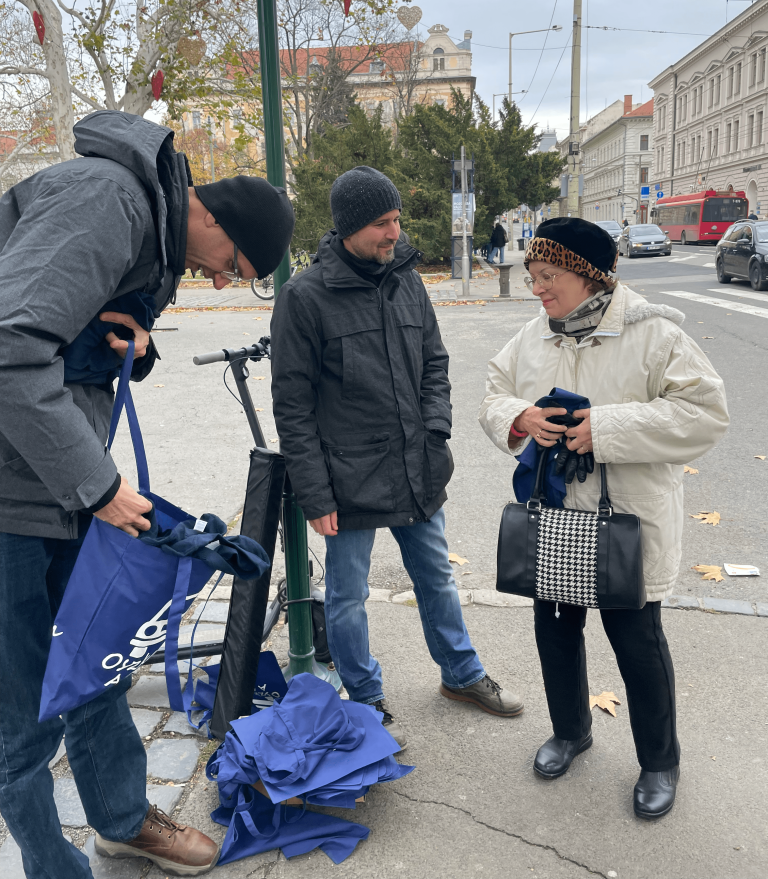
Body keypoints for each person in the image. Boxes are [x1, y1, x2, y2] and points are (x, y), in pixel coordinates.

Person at [0, 110, 294, 878]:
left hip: (53, 482)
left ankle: (123, 821)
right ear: (215, 219)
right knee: (22, 710)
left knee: (96, 660)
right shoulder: (108, 200)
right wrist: (99, 488)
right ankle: (51, 864)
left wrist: (134, 342)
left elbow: (62, 329)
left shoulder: (151, 231)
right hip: (13, 497)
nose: (222, 281)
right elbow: (9, 347)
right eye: (235, 265)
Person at [478, 217, 728, 820]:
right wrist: (519, 418)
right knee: (555, 633)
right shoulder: (534, 336)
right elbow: (493, 392)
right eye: (533, 276)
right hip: (556, 518)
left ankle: (659, 761)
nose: (537, 288)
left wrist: (608, 428)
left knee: (637, 644)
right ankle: (571, 731)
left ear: (589, 275)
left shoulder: (655, 335)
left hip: (627, 523)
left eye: (548, 275)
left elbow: (705, 414)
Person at [270, 165, 523, 749]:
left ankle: (461, 675)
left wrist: (435, 431)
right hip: (346, 479)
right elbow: (293, 407)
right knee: (347, 599)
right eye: (383, 223)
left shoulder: (406, 279)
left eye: (397, 219)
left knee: (437, 577)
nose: (395, 232)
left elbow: (435, 362)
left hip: (416, 466)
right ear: (350, 227)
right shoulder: (304, 297)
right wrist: (314, 493)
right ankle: (364, 701)